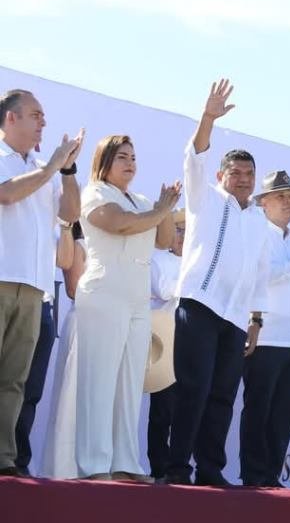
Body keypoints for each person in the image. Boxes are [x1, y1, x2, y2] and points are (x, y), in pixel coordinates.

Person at [166, 79, 272, 486]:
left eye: (249, 173)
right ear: (221, 175)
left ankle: (210, 471)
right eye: (236, 172)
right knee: (193, 389)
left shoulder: (258, 218)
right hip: (198, 303)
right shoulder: (204, 196)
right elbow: (194, 156)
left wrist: (256, 319)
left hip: (234, 316)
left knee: (223, 395)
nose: (244, 179)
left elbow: (260, 272)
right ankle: (177, 470)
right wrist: (207, 117)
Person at [75, 135, 181, 480]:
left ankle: (124, 463)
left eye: (133, 157)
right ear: (104, 160)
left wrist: (166, 207)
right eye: (122, 156)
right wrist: (161, 210)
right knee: (100, 381)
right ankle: (93, 465)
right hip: (104, 293)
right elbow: (119, 223)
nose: (130, 163)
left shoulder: (141, 199)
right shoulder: (95, 191)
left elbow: (165, 240)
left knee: (129, 384)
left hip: (137, 301)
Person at [0, 88, 83, 477]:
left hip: (35, 288)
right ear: (11, 118)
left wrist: (66, 172)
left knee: (15, 381)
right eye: (35, 115)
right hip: (1, 279)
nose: (43, 123)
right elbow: (7, 194)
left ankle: (3, 458)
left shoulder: (44, 168)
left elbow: (69, 214)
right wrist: (51, 167)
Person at [239, 171, 290, 487]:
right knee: (259, 409)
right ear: (263, 203)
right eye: (281, 196)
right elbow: (262, 277)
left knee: (284, 415)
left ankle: (270, 475)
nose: (289, 203)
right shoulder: (258, 235)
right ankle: (252, 475)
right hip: (266, 337)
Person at [40, 221, 87, 479]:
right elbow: (73, 289)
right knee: (72, 398)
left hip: (111, 328)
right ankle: (65, 468)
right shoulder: (79, 244)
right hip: (84, 325)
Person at [147, 209, 185, 481]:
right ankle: (159, 467)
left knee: (188, 409)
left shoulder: (201, 262)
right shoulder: (156, 258)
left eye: (187, 231)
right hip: (163, 342)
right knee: (163, 410)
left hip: (194, 341)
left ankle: (181, 466)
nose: (182, 236)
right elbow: (165, 290)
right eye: (178, 230)